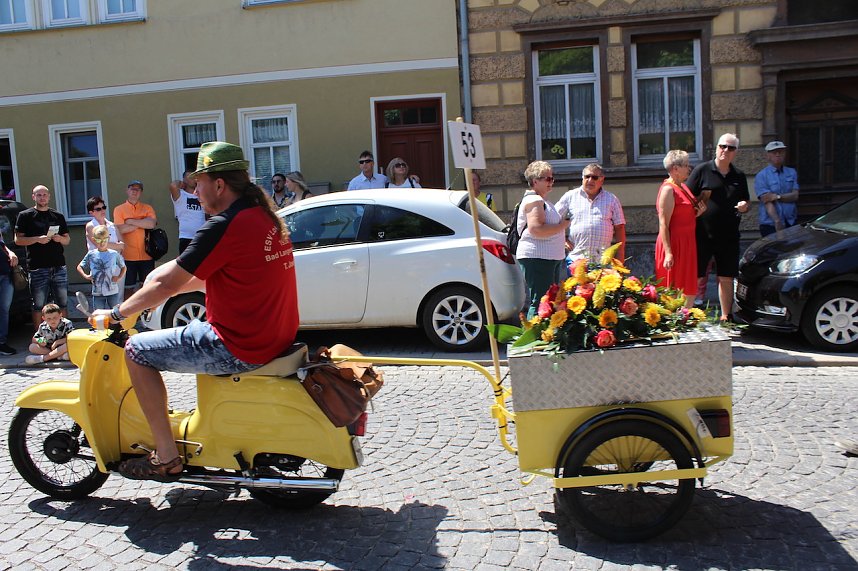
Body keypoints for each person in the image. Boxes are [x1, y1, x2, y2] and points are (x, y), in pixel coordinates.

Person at [91, 141, 299, 482]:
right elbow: (199, 276)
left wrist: (116, 314)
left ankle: (167, 456)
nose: (193, 189)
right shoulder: (263, 217)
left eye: (197, 182)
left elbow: (166, 285)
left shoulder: (224, 225)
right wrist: (154, 290)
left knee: (136, 351)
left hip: (236, 342)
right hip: (274, 333)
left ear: (219, 184)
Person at [686, 133, 750, 322]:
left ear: (735, 152)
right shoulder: (702, 170)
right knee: (696, 276)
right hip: (702, 234)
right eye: (723, 146)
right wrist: (697, 205)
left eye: (730, 148)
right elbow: (686, 197)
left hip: (728, 235)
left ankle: (726, 317)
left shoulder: (739, 175)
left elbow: (746, 199)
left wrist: (745, 206)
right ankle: (685, 315)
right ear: (716, 148)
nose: (725, 151)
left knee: (726, 277)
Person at [515, 161, 571, 319]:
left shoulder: (542, 201)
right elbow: (536, 229)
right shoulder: (534, 201)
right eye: (546, 179)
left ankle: (544, 336)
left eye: (552, 178)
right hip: (538, 257)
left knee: (548, 300)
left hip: (547, 257)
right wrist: (563, 225)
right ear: (535, 181)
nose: (550, 182)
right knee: (540, 301)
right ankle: (534, 337)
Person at [14, 185, 70, 330]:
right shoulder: (25, 216)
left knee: (62, 303)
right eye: (39, 195)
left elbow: (67, 239)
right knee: (38, 305)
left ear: (49, 196)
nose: (42, 197)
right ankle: (39, 338)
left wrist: (60, 239)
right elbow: (18, 240)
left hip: (59, 266)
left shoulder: (57, 216)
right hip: (37, 268)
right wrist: (37, 239)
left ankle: (64, 335)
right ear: (33, 197)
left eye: (44, 195)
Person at [655, 150, 706, 307]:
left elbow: (682, 216)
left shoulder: (683, 186)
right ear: (675, 168)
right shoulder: (668, 189)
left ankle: (685, 318)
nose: (689, 169)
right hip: (674, 243)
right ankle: (674, 323)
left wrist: (698, 213)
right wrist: (669, 252)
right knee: (673, 287)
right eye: (685, 165)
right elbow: (664, 223)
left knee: (688, 284)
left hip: (687, 241)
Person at [555, 163, 626, 268]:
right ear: (582, 178)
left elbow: (619, 228)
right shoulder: (570, 196)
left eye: (594, 177)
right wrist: (563, 239)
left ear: (602, 180)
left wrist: (620, 258)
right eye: (587, 176)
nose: (590, 180)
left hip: (603, 261)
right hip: (577, 260)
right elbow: (553, 219)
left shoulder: (612, 199)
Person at [114, 180, 157, 299]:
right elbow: (120, 229)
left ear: (141, 192)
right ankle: (128, 315)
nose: (134, 191)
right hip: (127, 256)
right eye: (132, 189)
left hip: (147, 254)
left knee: (147, 287)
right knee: (128, 289)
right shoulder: (119, 209)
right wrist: (142, 222)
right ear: (127, 191)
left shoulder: (147, 208)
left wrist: (131, 221)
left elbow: (152, 224)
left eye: (137, 189)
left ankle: (147, 314)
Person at [755, 140, 800, 237]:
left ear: (784, 153)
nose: (778, 154)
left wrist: (777, 197)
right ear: (768, 155)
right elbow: (767, 200)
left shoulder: (792, 172)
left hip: (791, 221)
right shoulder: (762, 176)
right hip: (770, 224)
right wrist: (777, 221)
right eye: (774, 152)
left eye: (780, 151)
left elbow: (795, 196)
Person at [77, 225, 126, 310]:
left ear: (108, 238)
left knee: (115, 313)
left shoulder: (114, 254)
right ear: (94, 239)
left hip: (112, 290)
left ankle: (115, 324)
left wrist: (119, 277)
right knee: (99, 315)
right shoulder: (91, 254)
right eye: (99, 240)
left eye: (105, 240)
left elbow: (123, 267)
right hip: (97, 292)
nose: (102, 243)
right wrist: (86, 276)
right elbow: (80, 266)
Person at [170, 171, 206, 253]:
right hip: (186, 237)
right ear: (184, 180)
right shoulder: (180, 195)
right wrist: (181, 184)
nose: (195, 179)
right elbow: (173, 185)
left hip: (202, 236)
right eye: (191, 177)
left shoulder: (202, 195)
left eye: (196, 177)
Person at [0, 236, 19, 355]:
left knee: (4, 309)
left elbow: (2, 244)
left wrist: (10, 252)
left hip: (5, 273)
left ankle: (1, 342)